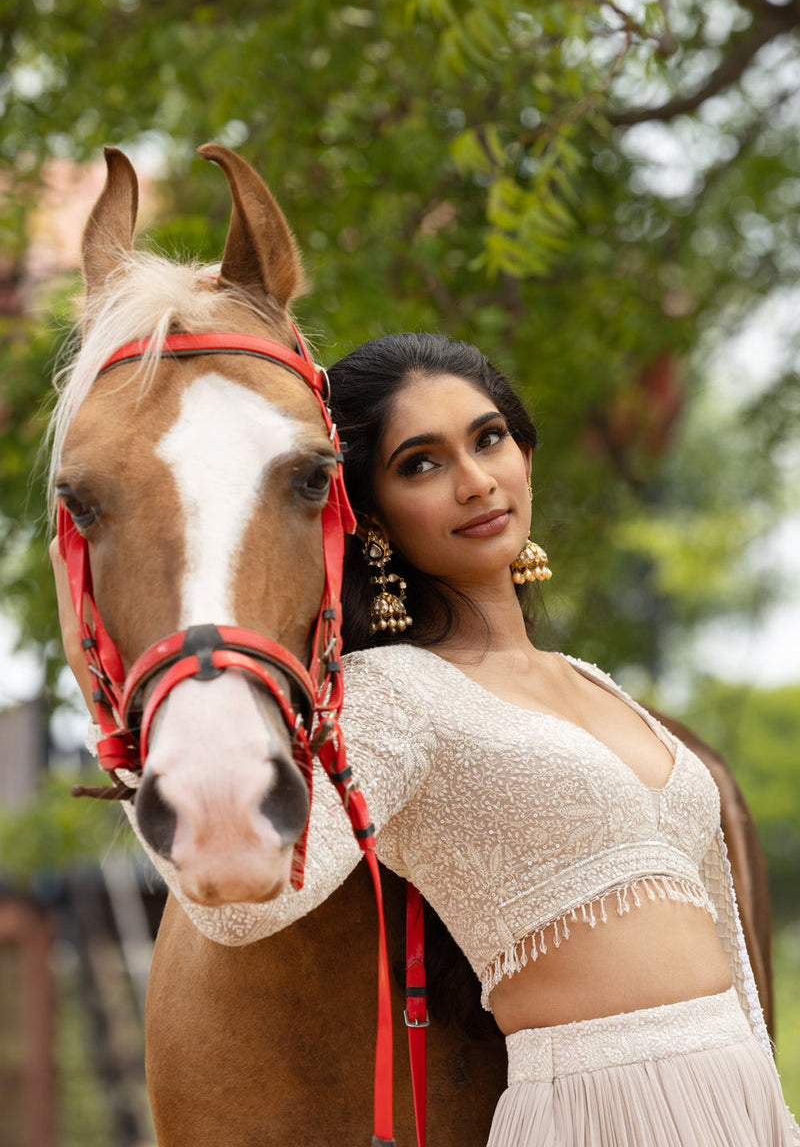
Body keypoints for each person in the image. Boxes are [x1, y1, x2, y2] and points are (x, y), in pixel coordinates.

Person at [54, 331, 798, 1145]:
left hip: (739, 1101)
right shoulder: (393, 696)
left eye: (488, 440)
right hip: (593, 1112)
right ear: (367, 515)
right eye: (422, 463)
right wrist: (135, 727)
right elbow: (239, 907)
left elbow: (725, 939)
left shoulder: (595, 682)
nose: (476, 483)